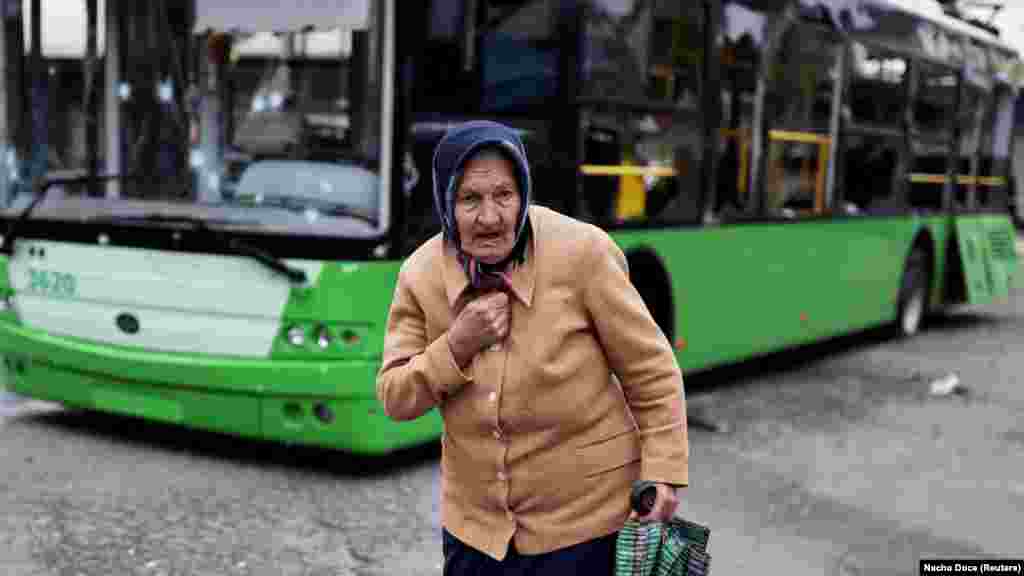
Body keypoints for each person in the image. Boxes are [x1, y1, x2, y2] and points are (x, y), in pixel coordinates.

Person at [376, 120, 689, 575]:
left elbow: (651, 371)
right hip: (476, 535)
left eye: (504, 195)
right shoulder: (420, 275)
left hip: (585, 529)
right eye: (469, 199)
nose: (490, 217)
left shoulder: (583, 254)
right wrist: (457, 346)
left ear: (523, 192)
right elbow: (395, 397)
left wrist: (663, 470)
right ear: (445, 202)